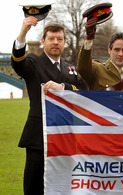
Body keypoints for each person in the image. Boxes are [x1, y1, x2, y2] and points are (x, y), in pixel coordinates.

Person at [11, 16, 86, 194]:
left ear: (65, 42)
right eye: (51, 39)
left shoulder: (70, 69)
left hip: (65, 136)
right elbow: (18, 63)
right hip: (39, 136)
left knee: (62, 185)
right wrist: (23, 32)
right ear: (43, 41)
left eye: (59, 39)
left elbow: (83, 92)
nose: (55, 42)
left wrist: (63, 87)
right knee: (34, 185)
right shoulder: (34, 62)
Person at [77, 14, 123, 95]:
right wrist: (89, 40)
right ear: (109, 50)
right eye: (116, 49)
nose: (120, 54)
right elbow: (82, 67)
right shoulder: (97, 70)